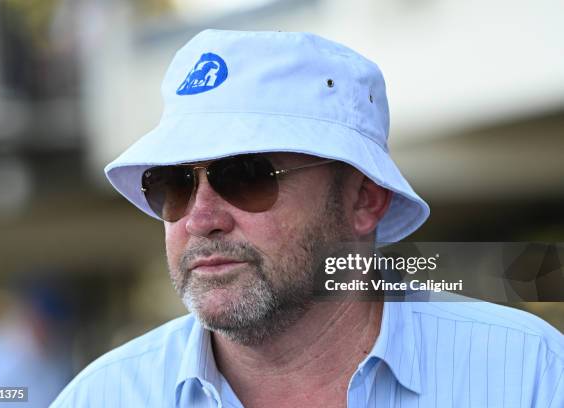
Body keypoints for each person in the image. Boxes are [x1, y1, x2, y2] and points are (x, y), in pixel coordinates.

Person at [51, 30, 563, 407]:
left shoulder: (529, 375)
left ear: (365, 200)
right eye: (173, 184)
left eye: (247, 175)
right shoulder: (102, 397)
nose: (200, 217)